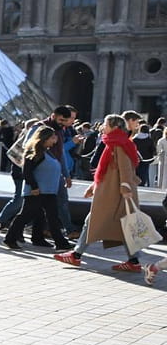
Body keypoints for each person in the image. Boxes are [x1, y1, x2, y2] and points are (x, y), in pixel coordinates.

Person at [55, 114, 145, 272]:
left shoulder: (118, 144)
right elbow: (105, 170)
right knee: (122, 226)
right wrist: (93, 187)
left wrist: (125, 186)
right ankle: (133, 260)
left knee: (96, 222)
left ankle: (76, 255)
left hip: (115, 194)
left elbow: (125, 167)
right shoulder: (117, 142)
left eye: (106, 124)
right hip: (112, 192)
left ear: (114, 127)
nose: (103, 126)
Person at [3, 126, 71, 251]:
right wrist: (34, 186)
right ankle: (10, 238)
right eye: (52, 137)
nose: (55, 140)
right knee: (25, 215)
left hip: (48, 191)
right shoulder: (35, 152)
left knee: (52, 216)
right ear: (44, 138)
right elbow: (27, 171)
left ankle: (60, 242)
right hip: (37, 191)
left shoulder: (47, 151)